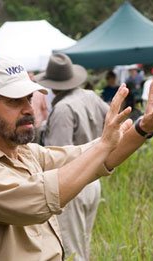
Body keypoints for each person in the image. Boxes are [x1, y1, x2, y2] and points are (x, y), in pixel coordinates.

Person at [0, 55, 153, 260]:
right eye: (14, 101)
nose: (28, 109)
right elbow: (37, 201)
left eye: (29, 98)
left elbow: (94, 154)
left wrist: (144, 127)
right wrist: (106, 144)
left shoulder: (25, 153)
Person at [38, 53, 109, 260]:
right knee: (83, 244)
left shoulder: (62, 108)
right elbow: (113, 120)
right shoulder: (91, 97)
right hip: (93, 180)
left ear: (52, 84)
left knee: (70, 250)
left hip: (73, 182)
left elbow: (59, 155)